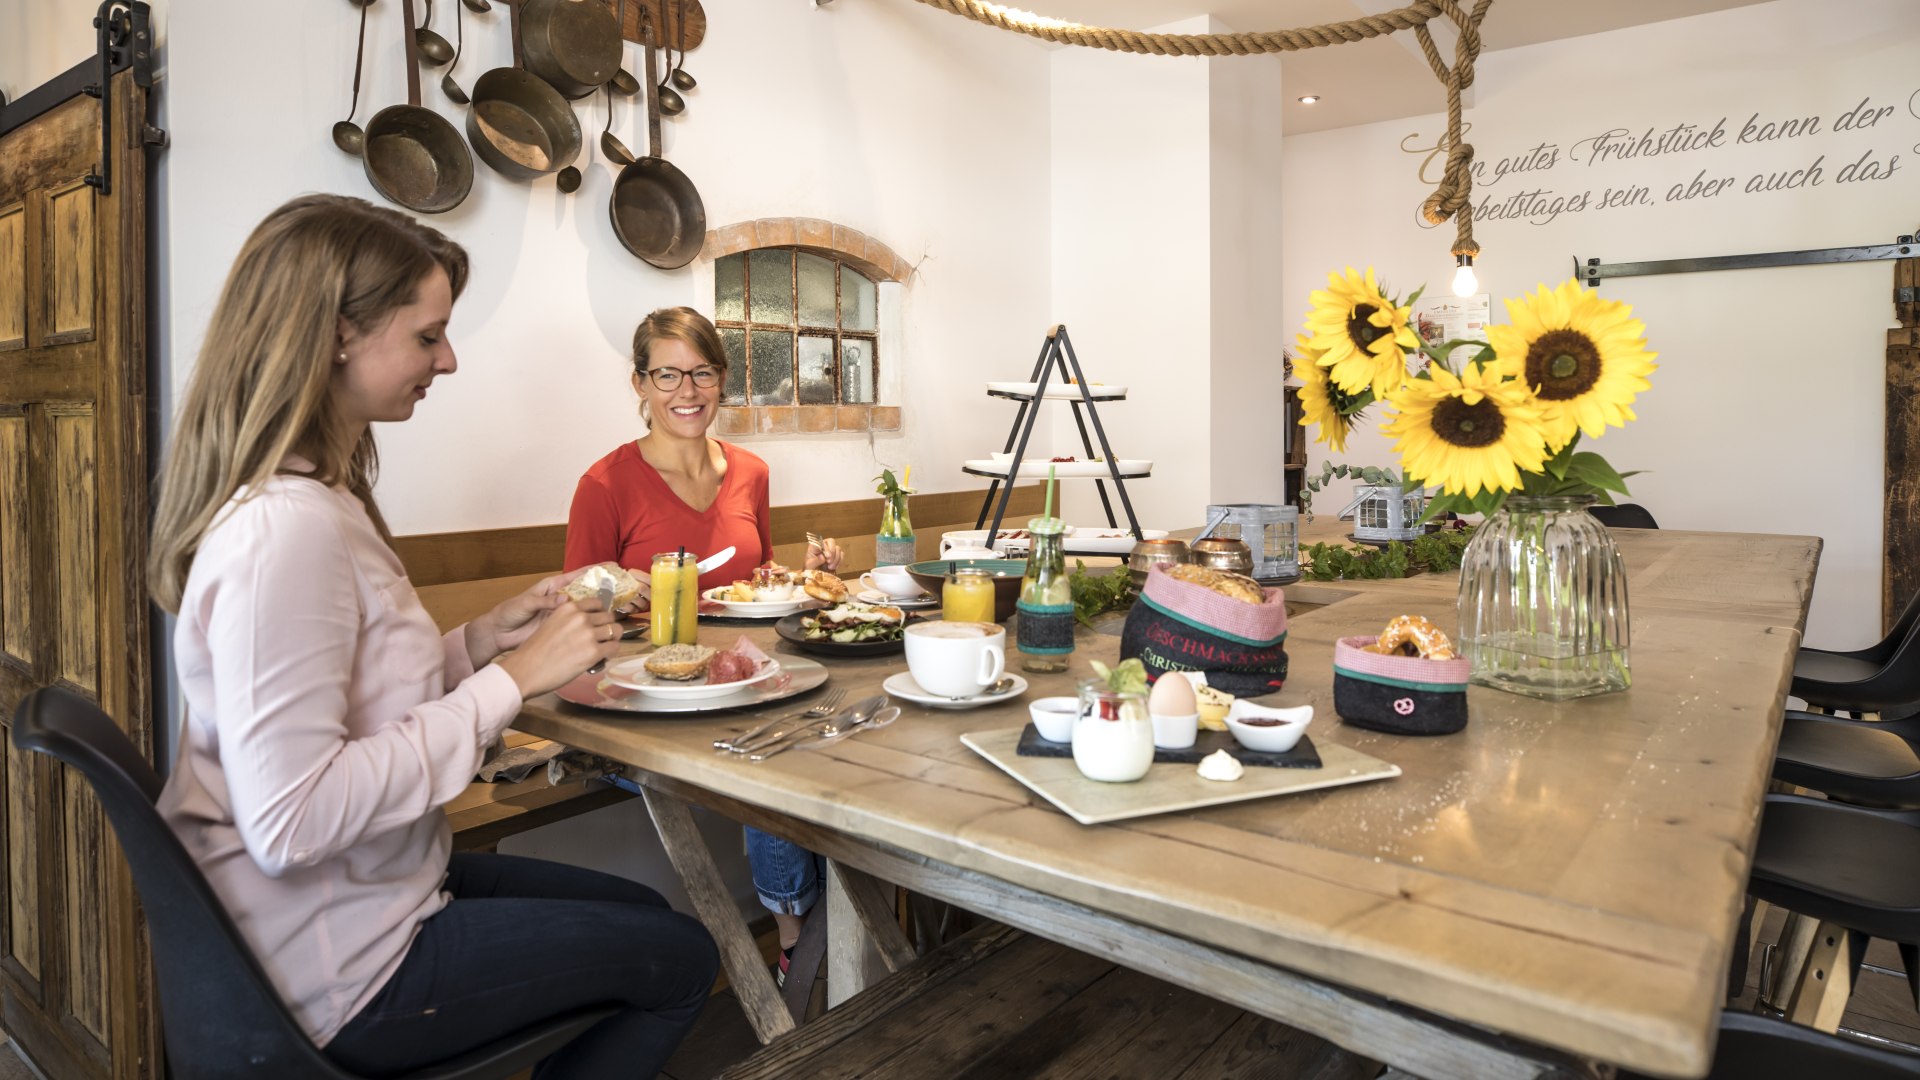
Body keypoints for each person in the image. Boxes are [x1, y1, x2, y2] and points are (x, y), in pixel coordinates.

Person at [148, 194, 718, 1079]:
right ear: (338, 333)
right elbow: (291, 821)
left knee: (654, 917)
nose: (448, 360)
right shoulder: (284, 531)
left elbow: (359, 694)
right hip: (340, 962)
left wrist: (485, 640)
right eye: (428, 336)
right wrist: (514, 679)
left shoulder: (320, 501)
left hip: (381, 888)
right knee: (682, 961)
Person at [564, 306, 840, 983]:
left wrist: (805, 578)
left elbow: (760, 581)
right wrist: (611, 589)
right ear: (639, 384)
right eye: (667, 374)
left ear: (721, 379)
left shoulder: (750, 471)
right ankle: (797, 939)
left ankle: (847, 917)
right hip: (641, 699)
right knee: (763, 757)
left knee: (828, 735)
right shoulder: (605, 483)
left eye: (702, 373)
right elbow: (574, 604)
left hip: (746, 680)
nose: (687, 392)